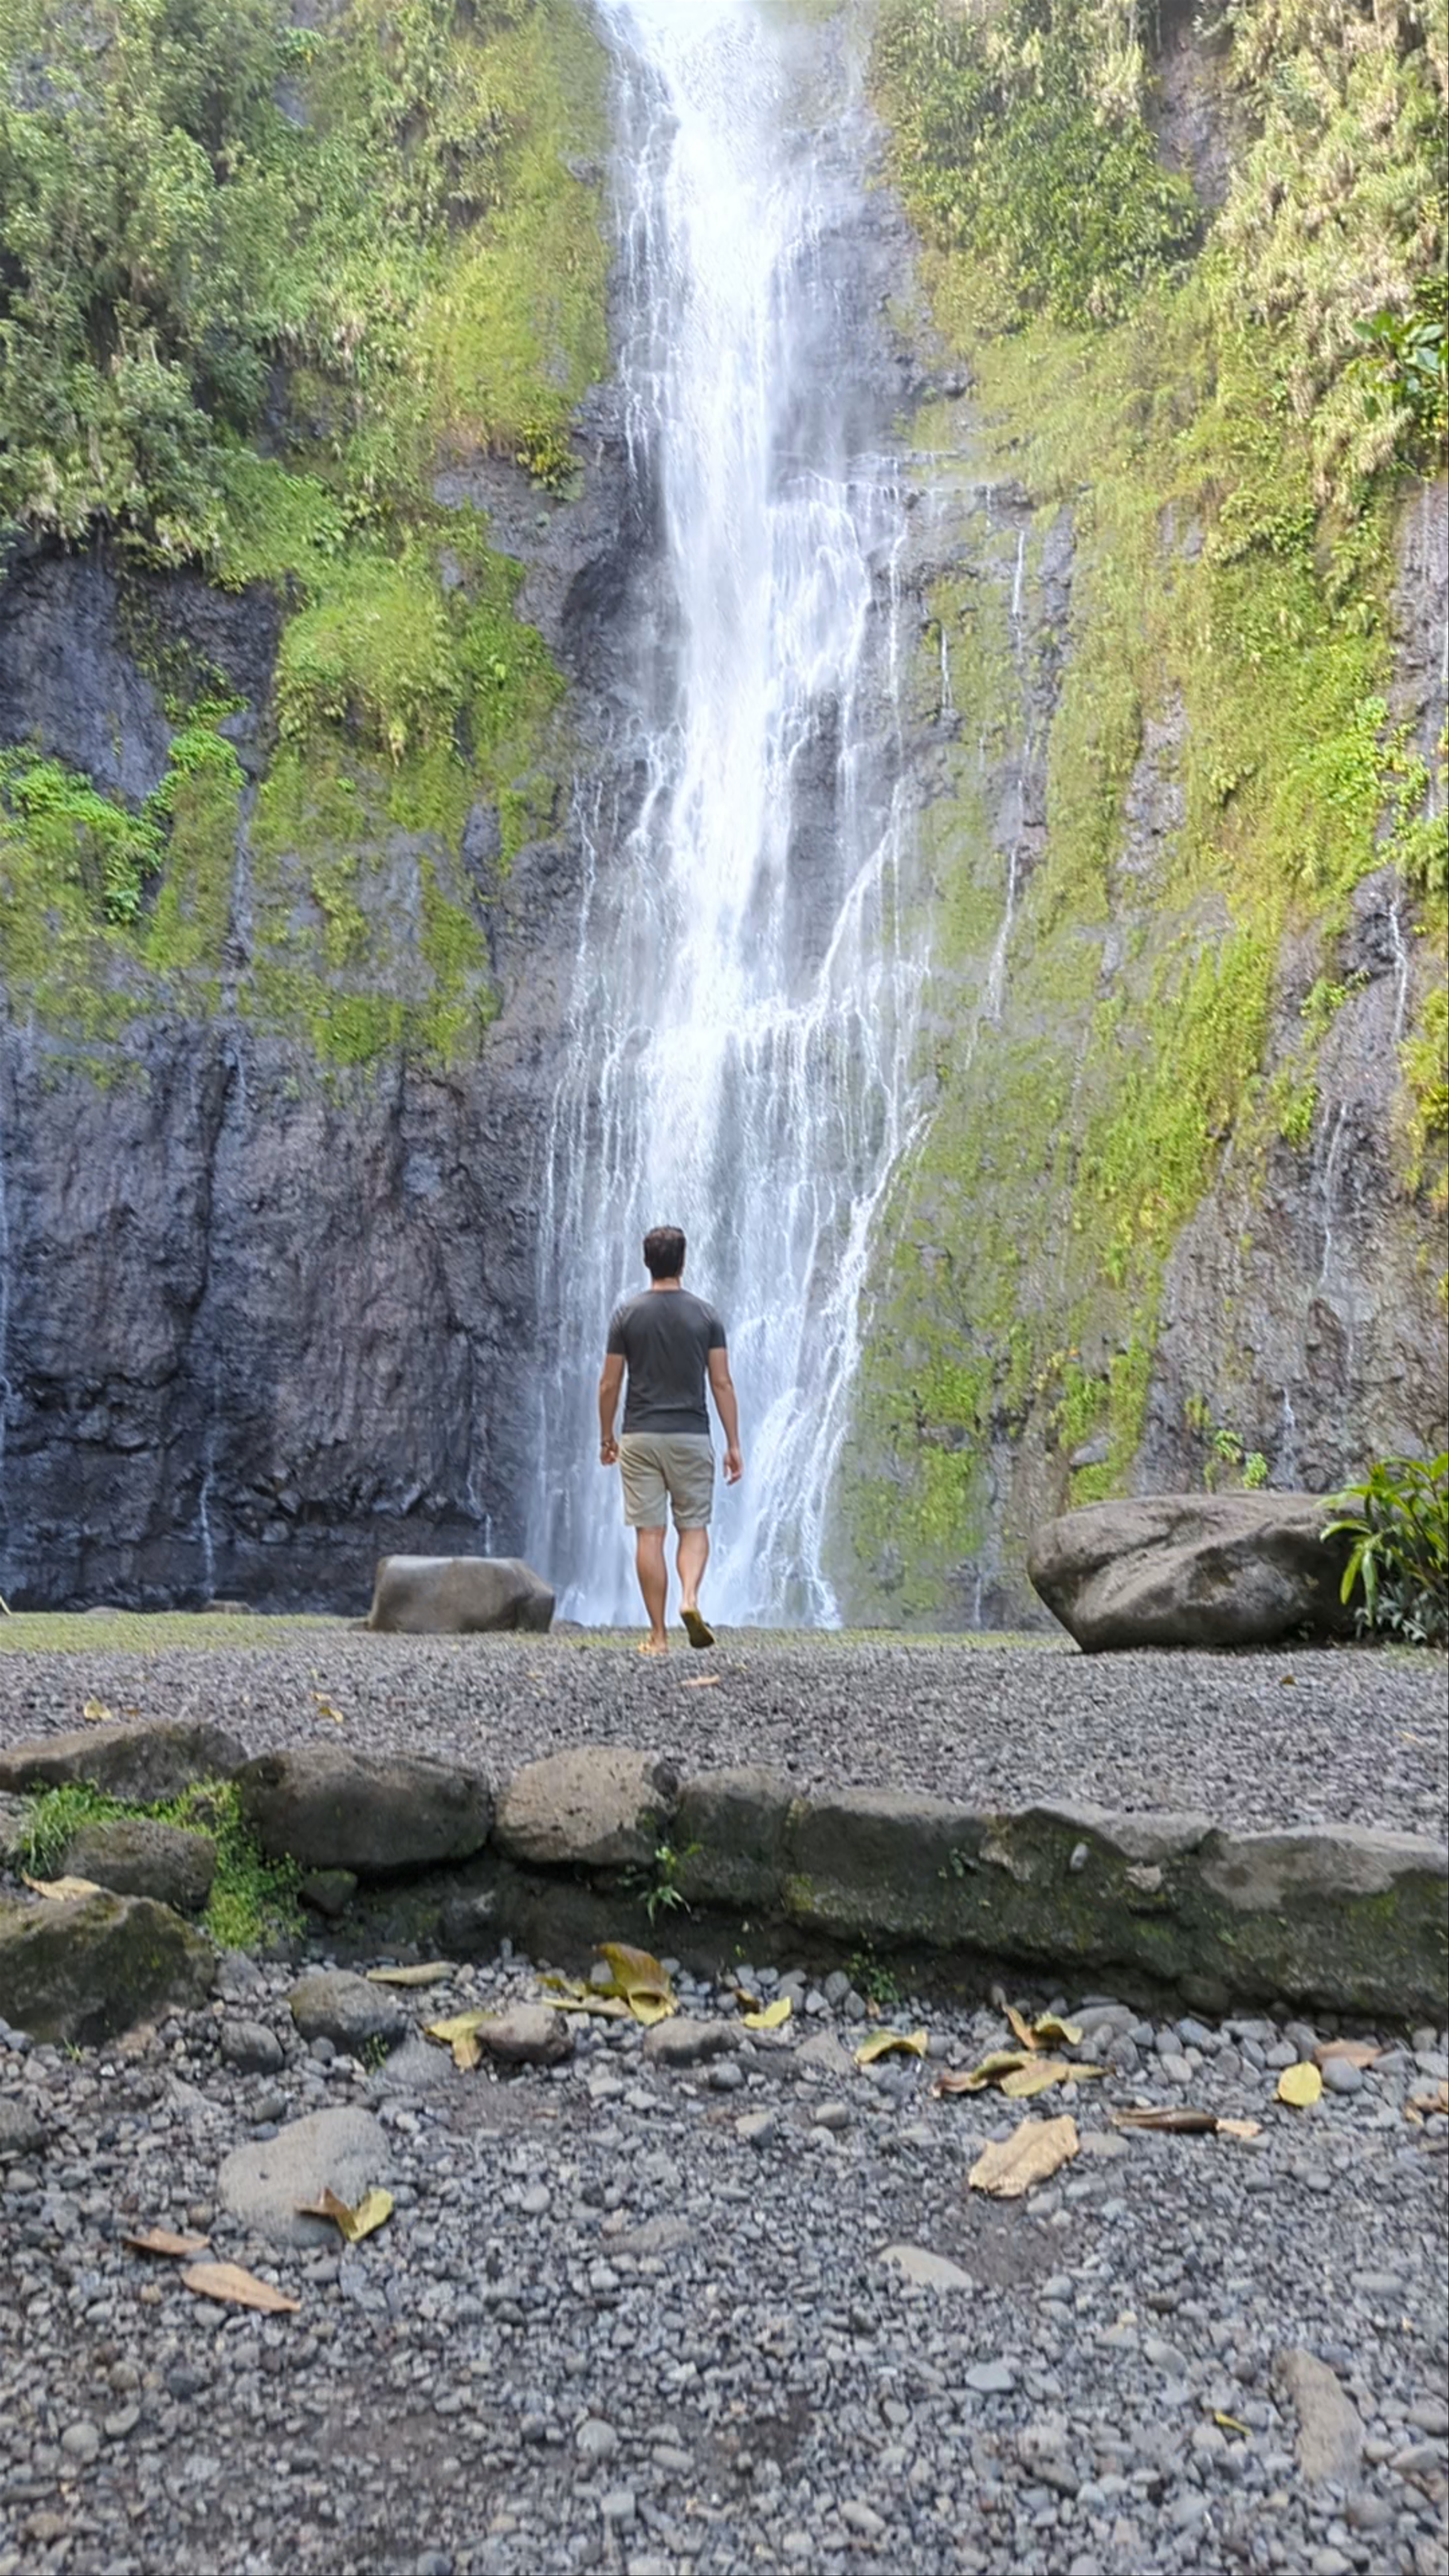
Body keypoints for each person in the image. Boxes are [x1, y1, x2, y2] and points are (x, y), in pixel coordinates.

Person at [598, 1224, 743, 1656]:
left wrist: (607, 1435)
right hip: (691, 1436)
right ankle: (690, 1599)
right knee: (694, 1527)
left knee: (650, 1535)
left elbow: (609, 1383)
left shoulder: (627, 1315)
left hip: (640, 1437)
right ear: (683, 1261)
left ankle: (658, 1636)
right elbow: (722, 1382)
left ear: (648, 1262)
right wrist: (734, 1442)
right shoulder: (706, 1316)